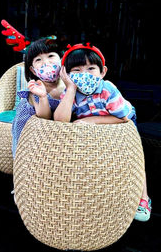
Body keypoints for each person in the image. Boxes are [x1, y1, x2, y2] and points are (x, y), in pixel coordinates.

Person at [54, 42, 151, 221]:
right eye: (76, 70)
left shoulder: (107, 89)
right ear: (66, 74)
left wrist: (91, 120)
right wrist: (71, 88)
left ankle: (143, 198)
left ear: (103, 71)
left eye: (91, 68)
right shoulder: (70, 93)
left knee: (134, 157)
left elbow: (123, 118)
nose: (84, 74)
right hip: (95, 131)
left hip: (121, 120)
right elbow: (60, 120)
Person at [12, 38, 65, 158]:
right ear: (33, 70)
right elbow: (44, 116)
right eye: (38, 60)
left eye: (51, 55)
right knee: (28, 158)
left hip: (55, 131)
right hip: (29, 130)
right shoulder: (35, 89)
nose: (46, 63)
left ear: (62, 60)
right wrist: (42, 96)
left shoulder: (68, 85)